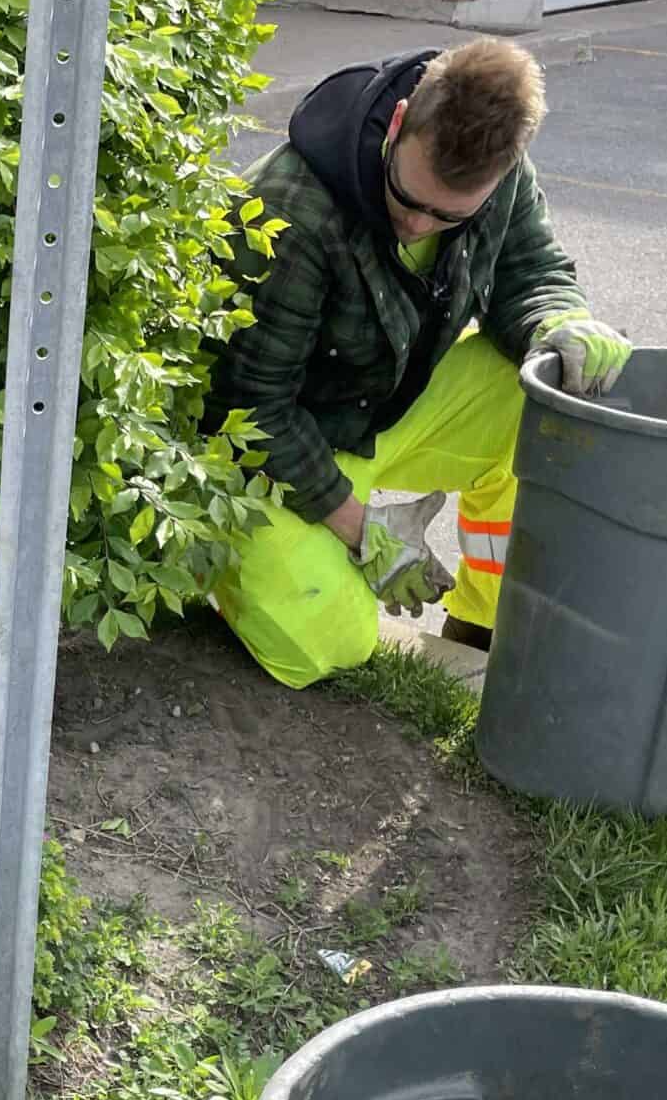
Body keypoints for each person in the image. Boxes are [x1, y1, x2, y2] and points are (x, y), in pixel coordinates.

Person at [206, 38, 631, 687]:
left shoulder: (499, 177)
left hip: (383, 408)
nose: (420, 227)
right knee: (329, 645)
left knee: (549, 395)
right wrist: (359, 528)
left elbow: (531, 271)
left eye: (450, 216)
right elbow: (249, 409)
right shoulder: (291, 210)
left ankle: (483, 626)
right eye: (410, 199)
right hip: (277, 447)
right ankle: (224, 567)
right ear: (400, 121)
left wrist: (561, 321)